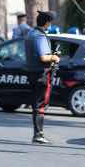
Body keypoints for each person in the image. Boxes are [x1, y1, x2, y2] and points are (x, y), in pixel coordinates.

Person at [25, 11, 60, 144]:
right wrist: (54, 57)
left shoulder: (30, 34)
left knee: (36, 104)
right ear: (47, 22)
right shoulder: (39, 36)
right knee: (40, 104)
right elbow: (43, 57)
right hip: (42, 74)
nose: (50, 24)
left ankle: (38, 133)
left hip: (32, 72)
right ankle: (38, 134)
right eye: (50, 22)